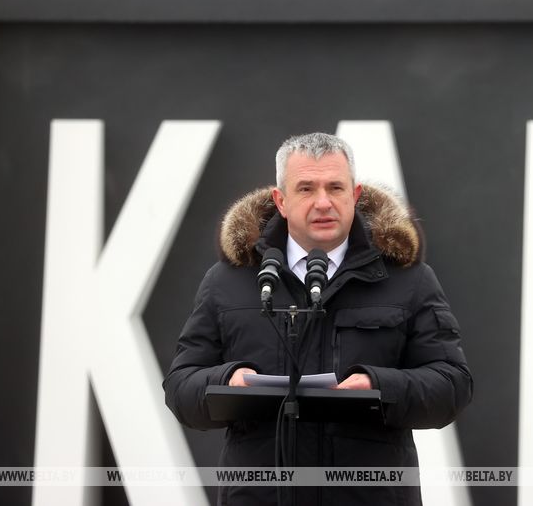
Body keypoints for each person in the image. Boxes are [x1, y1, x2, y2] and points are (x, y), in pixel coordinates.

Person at [165, 132, 473, 505]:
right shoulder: (228, 281)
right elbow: (180, 387)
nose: (323, 202)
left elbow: (452, 386)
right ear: (281, 201)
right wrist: (227, 381)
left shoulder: (409, 279)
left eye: (335, 188)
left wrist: (379, 387)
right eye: (306, 189)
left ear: (355, 195)